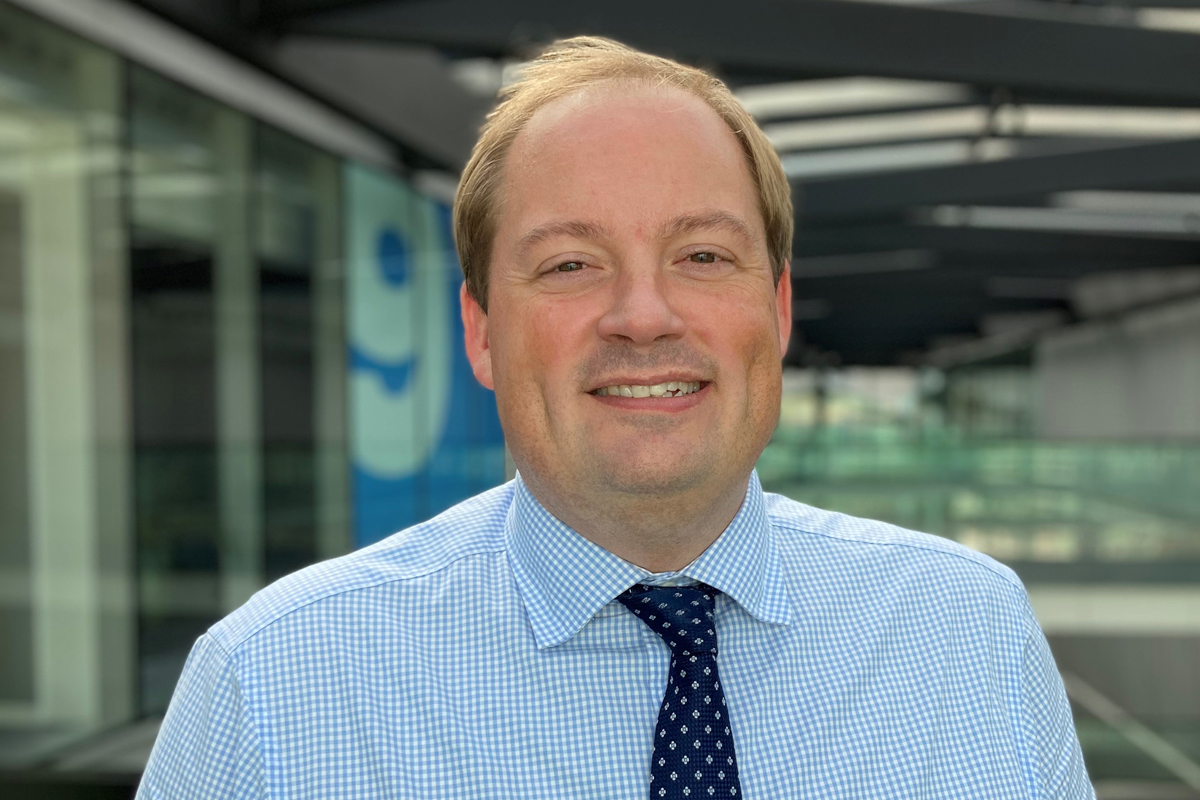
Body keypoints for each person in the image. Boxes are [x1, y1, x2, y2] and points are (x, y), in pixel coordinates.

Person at [138, 37, 1095, 799]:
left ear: (778, 309)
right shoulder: (273, 688)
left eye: (704, 256)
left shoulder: (968, 635)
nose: (644, 316)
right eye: (570, 264)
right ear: (481, 331)